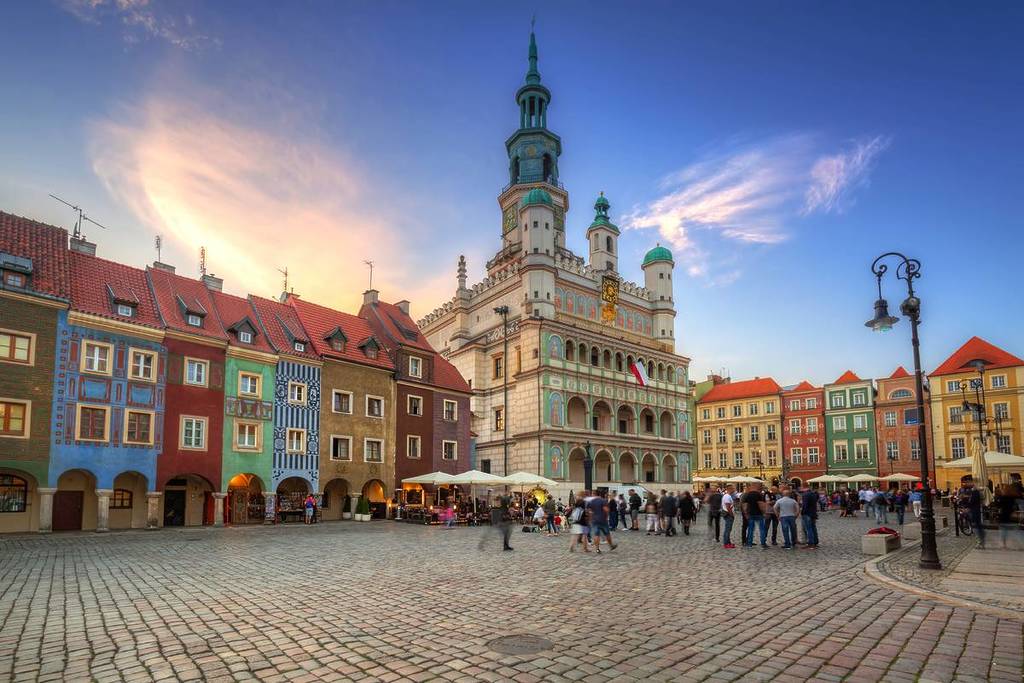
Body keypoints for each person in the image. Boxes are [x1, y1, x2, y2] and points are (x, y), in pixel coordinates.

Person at [958, 476, 985, 548]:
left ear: (971, 482)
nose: (966, 484)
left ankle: (980, 542)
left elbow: (973, 502)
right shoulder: (972, 491)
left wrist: (967, 508)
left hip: (975, 511)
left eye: (967, 482)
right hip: (974, 510)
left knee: (977, 526)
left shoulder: (975, 491)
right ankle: (980, 542)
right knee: (977, 526)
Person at [741, 483, 767, 548]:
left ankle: (749, 544)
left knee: (750, 529)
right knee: (762, 529)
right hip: (759, 514)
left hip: (751, 514)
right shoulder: (759, 494)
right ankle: (763, 543)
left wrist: (746, 514)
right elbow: (760, 504)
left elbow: (745, 505)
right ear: (757, 487)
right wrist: (764, 512)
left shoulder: (747, 494)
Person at [801, 484, 820, 549]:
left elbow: (805, 505)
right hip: (813, 513)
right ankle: (815, 542)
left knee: (808, 529)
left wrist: (803, 512)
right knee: (813, 528)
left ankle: (811, 543)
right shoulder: (813, 494)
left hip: (807, 514)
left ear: (803, 487)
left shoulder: (805, 495)